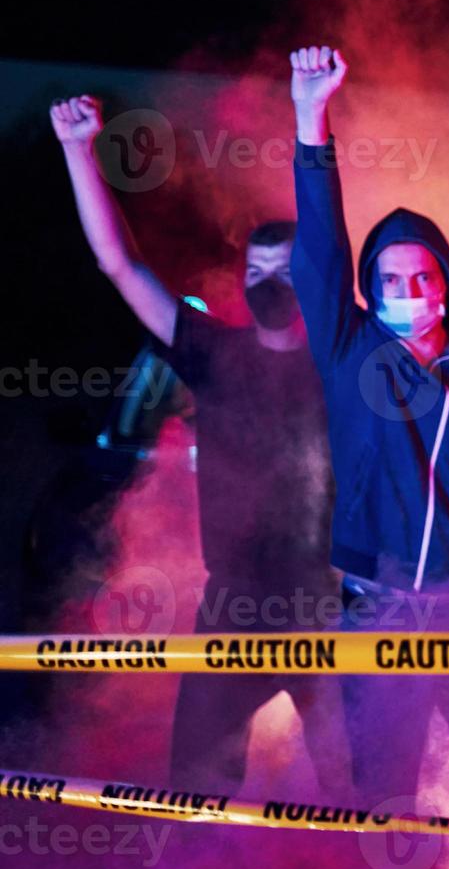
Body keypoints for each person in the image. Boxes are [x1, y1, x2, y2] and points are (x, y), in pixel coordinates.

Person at [288, 47, 449, 869]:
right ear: (370, 289)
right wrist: (310, 118)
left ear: (446, 283)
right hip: (377, 613)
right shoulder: (350, 347)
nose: (407, 288)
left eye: (422, 275)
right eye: (389, 278)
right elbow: (321, 253)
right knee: (384, 809)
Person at [49, 95, 351, 798]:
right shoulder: (216, 353)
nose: (267, 285)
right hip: (235, 606)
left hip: (331, 605)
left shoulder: (345, 360)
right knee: (194, 791)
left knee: (354, 794)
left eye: (285, 272)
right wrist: (77, 150)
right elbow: (120, 266)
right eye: (255, 273)